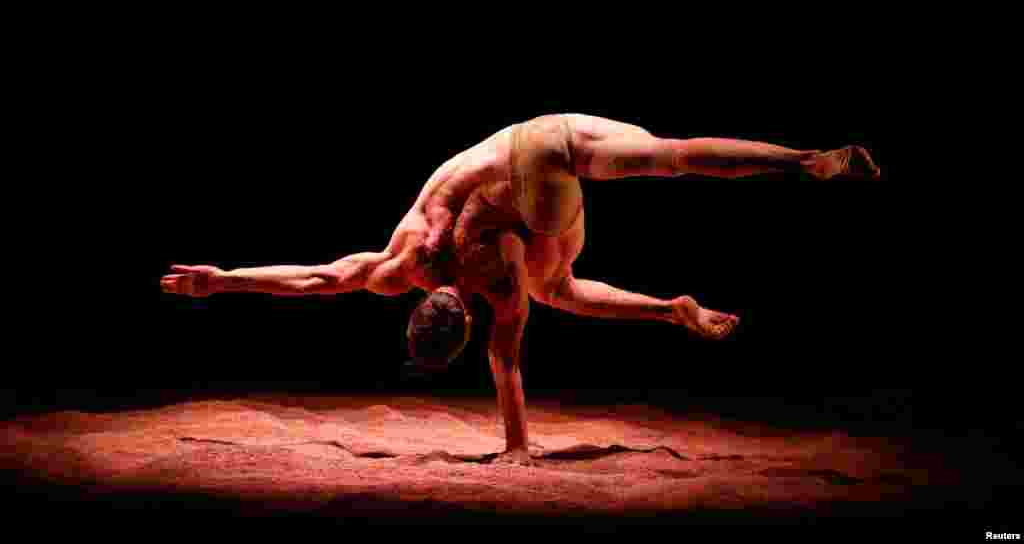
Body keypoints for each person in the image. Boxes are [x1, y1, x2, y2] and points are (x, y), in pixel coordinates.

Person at [161, 113, 880, 465]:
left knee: (559, 286)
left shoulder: (499, 285)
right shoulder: (402, 257)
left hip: (532, 194)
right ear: (422, 310)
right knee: (673, 156)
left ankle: (674, 304)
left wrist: (517, 447)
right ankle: (805, 160)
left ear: (461, 323)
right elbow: (319, 277)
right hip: (538, 133)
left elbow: (511, 366)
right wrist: (221, 279)